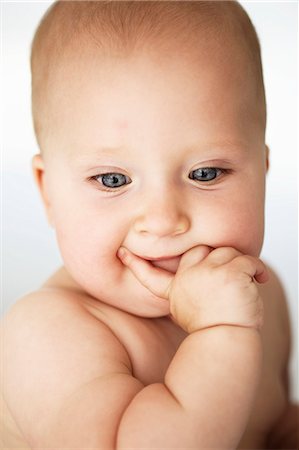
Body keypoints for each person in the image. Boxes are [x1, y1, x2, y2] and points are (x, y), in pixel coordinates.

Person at [1, 1, 298, 448]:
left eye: (206, 173)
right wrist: (220, 334)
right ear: (48, 191)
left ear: (262, 170)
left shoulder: (259, 291)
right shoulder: (46, 334)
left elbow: (269, 426)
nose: (163, 221)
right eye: (113, 180)